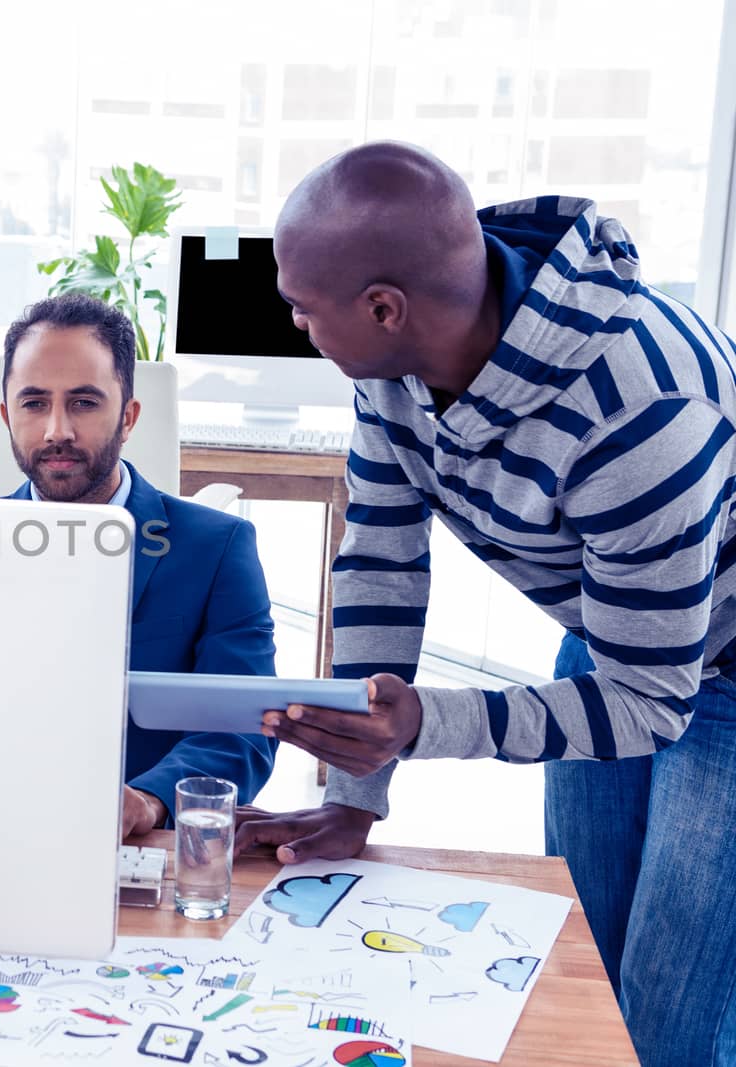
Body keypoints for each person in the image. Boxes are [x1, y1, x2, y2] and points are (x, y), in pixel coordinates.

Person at [236, 141, 736, 1067]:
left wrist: (422, 722)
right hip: (613, 637)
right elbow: (383, 561)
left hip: (710, 674)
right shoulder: (395, 362)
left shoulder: (640, 411)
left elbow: (650, 703)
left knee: (669, 1015)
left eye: (301, 307)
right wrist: (356, 792)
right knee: (583, 969)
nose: (296, 323)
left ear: (385, 306)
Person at [0, 293, 277, 839]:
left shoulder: (218, 549)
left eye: (84, 403)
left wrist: (148, 799)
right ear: (7, 416)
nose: (57, 430)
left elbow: (245, 728)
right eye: (34, 404)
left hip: (137, 844)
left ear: (128, 416)